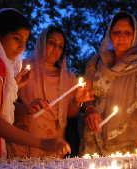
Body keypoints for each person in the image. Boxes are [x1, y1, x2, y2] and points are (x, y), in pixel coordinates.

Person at [0, 9, 69, 159]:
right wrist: (44, 143)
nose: (21, 48)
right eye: (16, 39)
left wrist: (14, 86)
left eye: (25, 42)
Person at [79, 11, 137, 156]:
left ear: (134, 35)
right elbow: (86, 97)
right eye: (117, 32)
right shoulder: (96, 62)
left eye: (127, 33)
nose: (121, 37)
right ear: (110, 34)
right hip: (96, 136)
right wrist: (90, 109)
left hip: (131, 139)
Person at [7, 26, 93, 158]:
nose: (56, 49)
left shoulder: (69, 78)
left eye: (60, 46)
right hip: (24, 141)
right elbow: (7, 102)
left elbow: (69, 114)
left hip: (54, 144)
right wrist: (27, 109)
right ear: (42, 42)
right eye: (52, 43)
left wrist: (77, 101)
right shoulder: (22, 69)